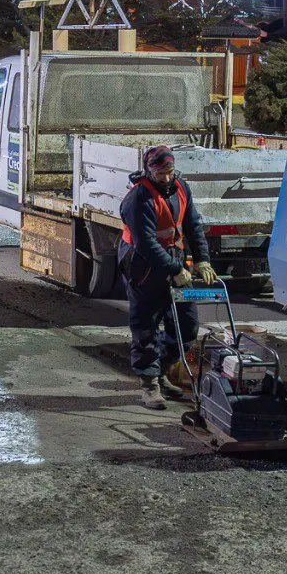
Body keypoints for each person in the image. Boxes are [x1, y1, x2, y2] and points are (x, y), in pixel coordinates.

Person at [118, 146, 217, 410]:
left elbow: (193, 225)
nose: (164, 178)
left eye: (169, 172)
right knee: (146, 327)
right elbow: (146, 244)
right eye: (159, 173)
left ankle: (161, 371)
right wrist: (175, 269)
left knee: (187, 327)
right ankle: (149, 385)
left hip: (175, 262)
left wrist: (202, 259)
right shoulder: (138, 199)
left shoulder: (181, 188)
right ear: (148, 170)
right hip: (144, 268)